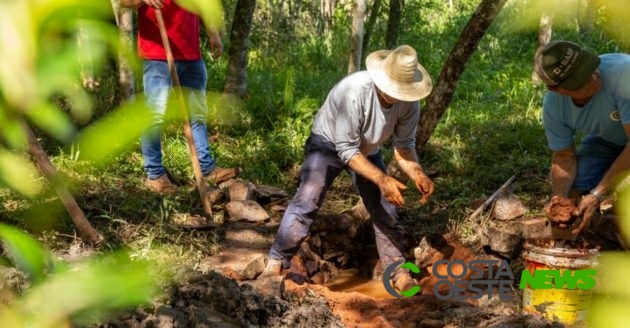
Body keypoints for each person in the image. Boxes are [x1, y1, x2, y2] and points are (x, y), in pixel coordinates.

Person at [259, 45, 435, 292]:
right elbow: (346, 151)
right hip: (328, 143)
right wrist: (382, 179)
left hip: (367, 150)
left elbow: (404, 145)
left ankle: (398, 271)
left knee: (384, 206)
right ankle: (277, 261)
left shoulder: (409, 103)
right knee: (309, 196)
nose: (397, 95)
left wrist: (418, 173)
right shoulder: (354, 91)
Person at [120, 0, 239, 194]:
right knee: (154, 116)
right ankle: (155, 175)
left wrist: (213, 34)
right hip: (157, 56)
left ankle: (207, 169)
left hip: (191, 54)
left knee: (197, 115)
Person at [534, 40, 630, 236]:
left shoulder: (623, 76)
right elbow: (564, 156)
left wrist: (597, 193)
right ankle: (568, 250)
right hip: (608, 140)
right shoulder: (554, 106)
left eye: (590, 67)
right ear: (557, 89)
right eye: (581, 79)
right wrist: (559, 200)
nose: (593, 76)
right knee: (570, 199)